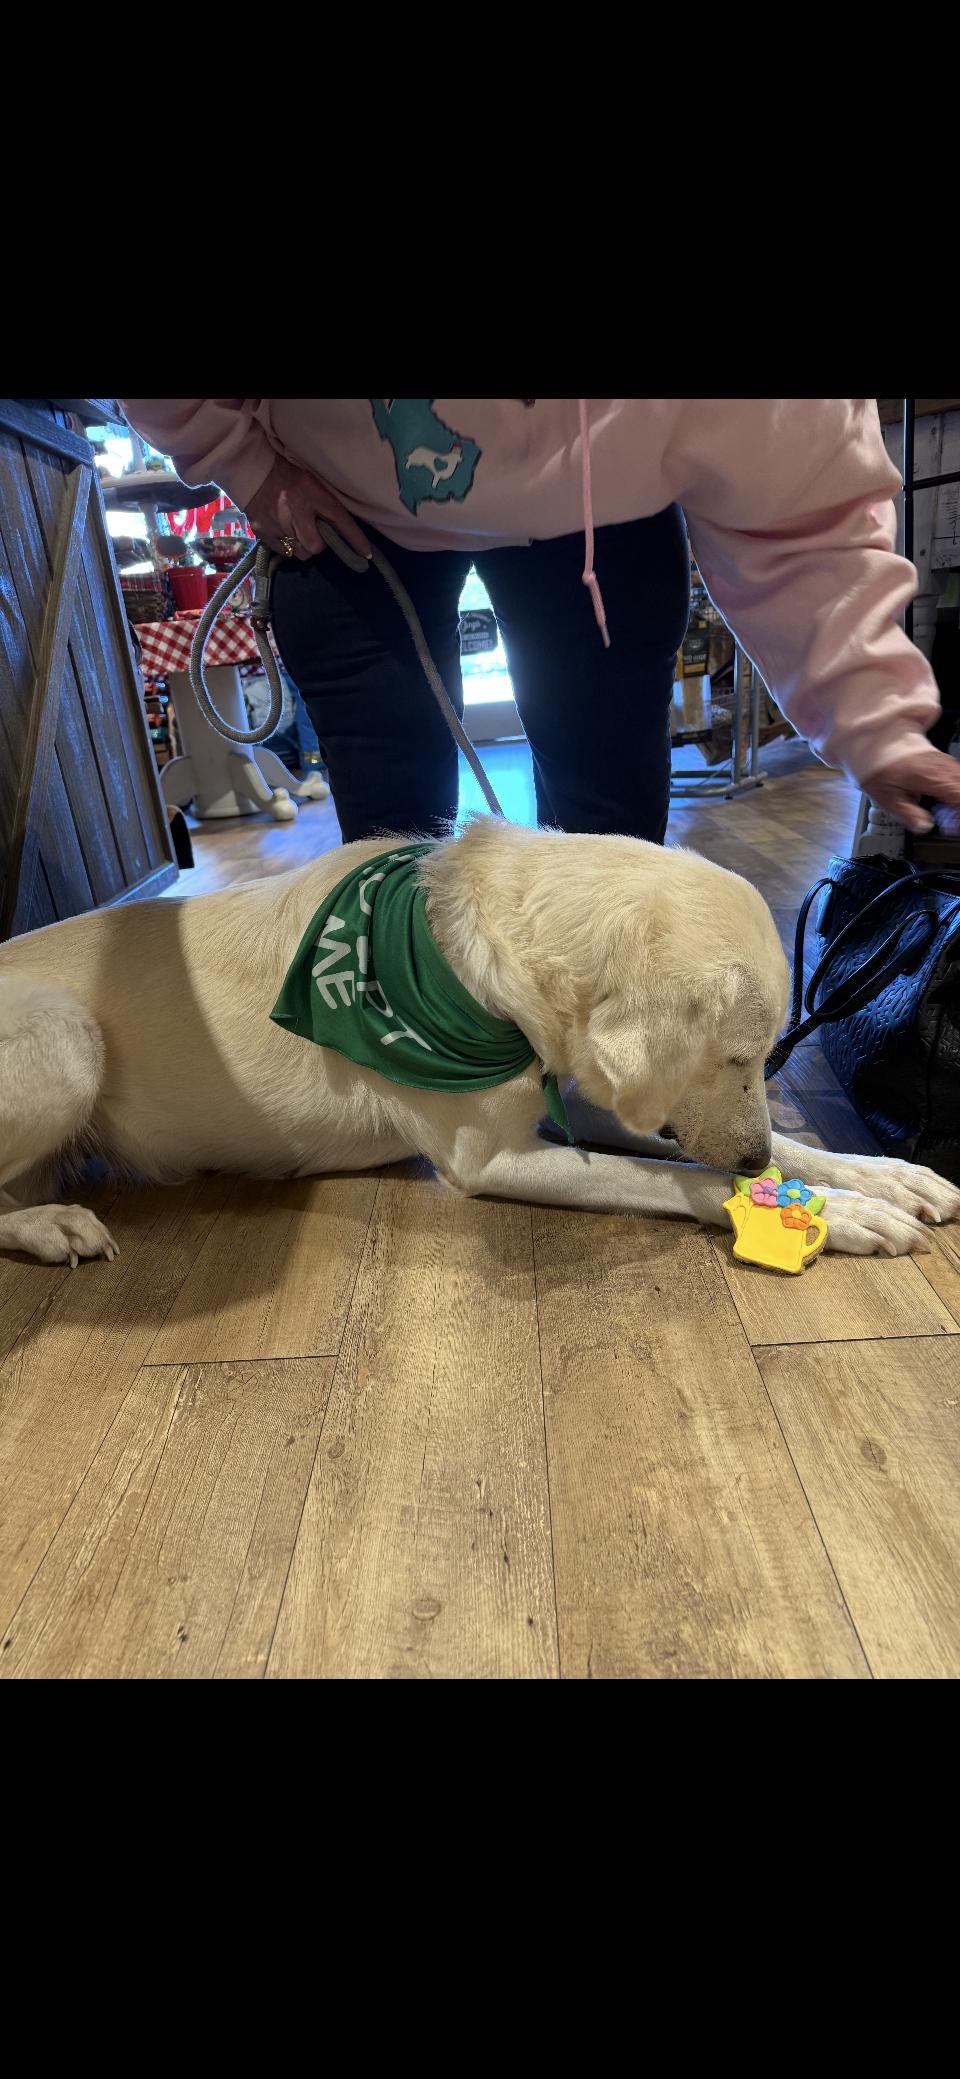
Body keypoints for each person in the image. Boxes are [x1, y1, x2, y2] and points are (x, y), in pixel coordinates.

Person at [121, 398, 960, 845]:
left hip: (610, 508)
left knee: (610, 829)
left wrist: (873, 719)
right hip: (345, 493)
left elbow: (801, 508)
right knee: (390, 837)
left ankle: (598, 1065)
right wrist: (247, 463)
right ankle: (405, 1062)